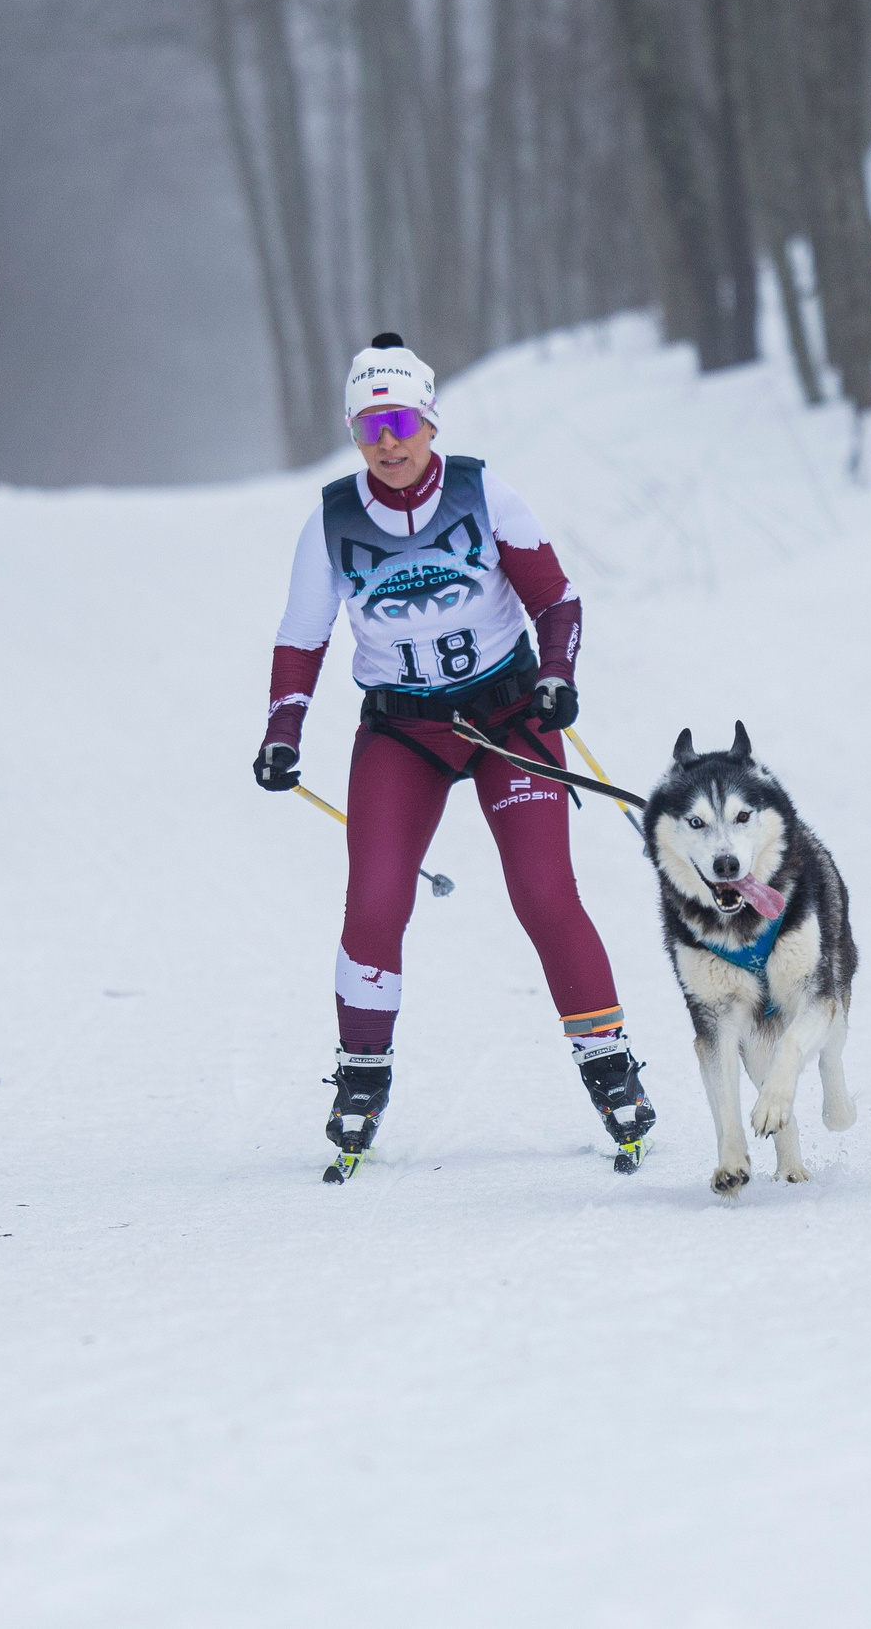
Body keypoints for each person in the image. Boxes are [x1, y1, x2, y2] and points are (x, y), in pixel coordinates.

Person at [255, 333, 655, 1180]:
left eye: (400, 420)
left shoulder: (484, 493)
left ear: (430, 420)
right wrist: (281, 733)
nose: (388, 442)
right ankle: (361, 1077)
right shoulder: (331, 519)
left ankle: (610, 1066)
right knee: (374, 900)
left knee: (545, 893)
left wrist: (557, 679)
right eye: (369, 427)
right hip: (403, 733)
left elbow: (558, 600)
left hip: (508, 717)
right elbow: (301, 639)